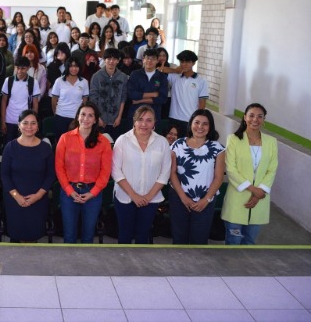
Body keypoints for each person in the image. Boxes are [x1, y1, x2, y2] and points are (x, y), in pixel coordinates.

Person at [112, 105, 172, 244]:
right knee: (125, 235)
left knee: (143, 235)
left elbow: (165, 172)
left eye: (149, 120)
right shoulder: (122, 140)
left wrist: (148, 197)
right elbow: (116, 171)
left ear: (154, 122)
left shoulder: (162, 142)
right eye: (140, 119)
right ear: (134, 121)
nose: (144, 124)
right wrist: (134, 196)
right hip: (125, 198)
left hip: (150, 199)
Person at [55, 102, 112, 243]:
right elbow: (59, 167)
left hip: (93, 193)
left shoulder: (103, 142)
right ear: (77, 117)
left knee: (88, 236)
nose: (86, 118)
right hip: (69, 193)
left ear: (95, 120)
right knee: (69, 235)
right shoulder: (65, 138)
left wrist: (93, 193)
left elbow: (105, 172)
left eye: (90, 115)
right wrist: (69, 191)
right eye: (83, 114)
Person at [221, 103, 278, 245]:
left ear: (264, 120)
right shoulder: (233, 139)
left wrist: (260, 192)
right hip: (237, 198)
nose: (255, 119)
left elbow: (272, 169)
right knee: (233, 240)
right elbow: (231, 169)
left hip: (260, 199)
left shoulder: (271, 142)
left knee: (250, 241)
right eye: (251, 115)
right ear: (245, 117)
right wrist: (253, 190)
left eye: (260, 116)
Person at [169, 109, 225, 244]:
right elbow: (172, 173)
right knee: (179, 238)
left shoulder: (218, 148)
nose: (200, 127)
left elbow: (219, 177)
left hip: (205, 200)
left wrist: (206, 199)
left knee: (199, 240)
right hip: (179, 198)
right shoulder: (178, 144)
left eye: (205, 124)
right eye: (197, 122)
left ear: (210, 127)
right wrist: (183, 197)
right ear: (191, 124)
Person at [2, 110, 55, 242]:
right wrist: (17, 196)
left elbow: (50, 175)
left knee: (33, 238)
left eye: (33, 123)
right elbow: (4, 175)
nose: (29, 127)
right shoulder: (10, 147)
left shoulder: (45, 148)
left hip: (38, 200)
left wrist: (38, 196)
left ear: (38, 126)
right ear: (19, 125)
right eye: (25, 123)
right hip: (14, 200)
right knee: (15, 237)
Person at [166, 50, 209, 134]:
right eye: (182, 62)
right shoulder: (174, 77)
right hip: (173, 118)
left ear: (193, 63)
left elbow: (202, 103)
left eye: (187, 62)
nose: (184, 64)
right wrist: (175, 70)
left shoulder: (201, 81)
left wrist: (198, 120)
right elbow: (160, 70)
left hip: (190, 119)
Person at [89, 48, 128, 141]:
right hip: (100, 119)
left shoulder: (123, 77)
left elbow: (123, 98)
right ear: (104, 59)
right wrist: (98, 118)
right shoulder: (96, 76)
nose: (111, 61)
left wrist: (119, 117)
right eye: (109, 59)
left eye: (114, 59)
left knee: (115, 144)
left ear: (118, 60)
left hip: (115, 120)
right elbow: (93, 99)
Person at [0, 57, 41, 144]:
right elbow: (3, 102)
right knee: (9, 145)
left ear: (28, 68)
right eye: (17, 68)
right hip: (9, 119)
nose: (19, 71)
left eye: (23, 68)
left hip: (25, 121)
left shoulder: (33, 82)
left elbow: (35, 104)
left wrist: (34, 122)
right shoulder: (8, 81)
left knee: (24, 145)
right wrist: (3, 121)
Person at [50, 56, 89, 142]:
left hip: (77, 118)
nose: (74, 69)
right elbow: (54, 100)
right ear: (67, 67)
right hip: (61, 116)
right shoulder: (59, 81)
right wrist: (56, 113)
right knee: (61, 142)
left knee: (76, 143)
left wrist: (79, 116)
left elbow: (85, 101)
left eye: (76, 66)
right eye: (71, 66)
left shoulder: (84, 82)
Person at [127, 48, 168, 123]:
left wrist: (139, 100)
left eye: (153, 59)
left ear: (157, 61)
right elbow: (131, 94)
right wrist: (153, 94)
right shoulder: (135, 74)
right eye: (147, 58)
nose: (150, 61)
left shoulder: (162, 77)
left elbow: (162, 99)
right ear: (143, 60)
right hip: (135, 114)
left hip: (154, 115)